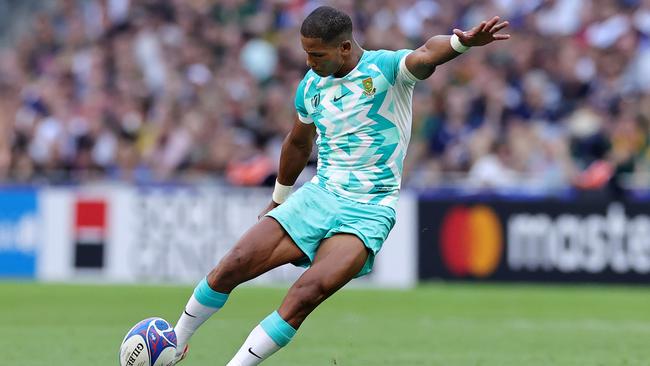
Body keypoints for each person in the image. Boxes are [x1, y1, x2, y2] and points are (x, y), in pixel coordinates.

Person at [171, 6, 510, 365]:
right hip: (320, 195)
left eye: (316, 54)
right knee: (234, 263)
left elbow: (426, 53)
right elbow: (298, 143)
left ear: (345, 48)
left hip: (368, 209)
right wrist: (278, 199)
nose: (308, 61)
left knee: (305, 293)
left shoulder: (385, 70)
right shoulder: (311, 86)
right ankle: (175, 344)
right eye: (305, 52)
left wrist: (461, 43)